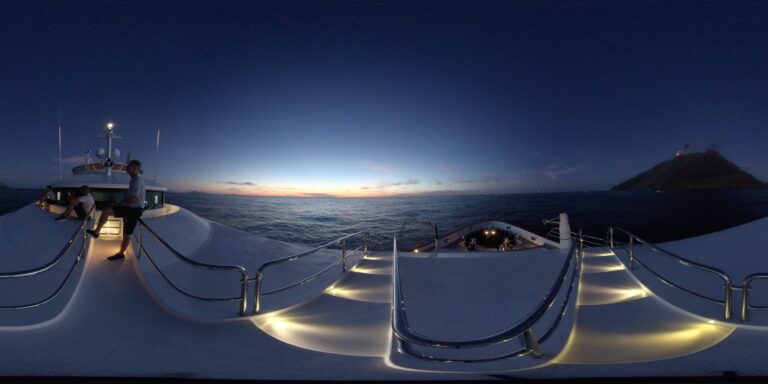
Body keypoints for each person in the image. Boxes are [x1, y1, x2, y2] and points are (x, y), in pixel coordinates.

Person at [86, 159, 145, 261]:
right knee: (107, 210)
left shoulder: (137, 180)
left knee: (126, 234)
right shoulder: (134, 179)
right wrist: (118, 204)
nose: (127, 168)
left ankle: (121, 254)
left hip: (133, 211)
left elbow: (132, 199)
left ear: (135, 168)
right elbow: (131, 198)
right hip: (130, 208)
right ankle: (96, 232)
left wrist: (120, 205)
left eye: (129, 166)